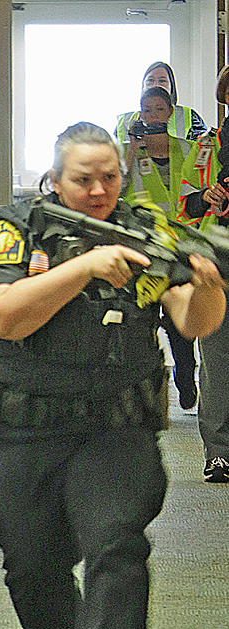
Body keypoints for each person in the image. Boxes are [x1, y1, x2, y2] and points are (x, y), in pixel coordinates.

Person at [0, 122, 224, 629]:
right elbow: (2, 315)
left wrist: (212, 288)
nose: (99, 190)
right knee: (32, 567)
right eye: (83, 179)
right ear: (56, 181)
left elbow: (191, 320)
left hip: (113, 428)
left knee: (117, 548)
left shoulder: (145, 233)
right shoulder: (18, 228)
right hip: (21, 430)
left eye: (109, 177)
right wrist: (84, 267)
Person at [122, 86, 197, 410]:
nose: (152, 115)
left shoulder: (189, 149)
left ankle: (185, 375)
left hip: (181, 244)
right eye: (146, 109)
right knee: (142, 317)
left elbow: (197, 192)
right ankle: (147, 388)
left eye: (158, 109)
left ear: (169, 112)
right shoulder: (130, 153)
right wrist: (132, 147)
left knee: (180, 320)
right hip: (143, 246)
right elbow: (119, 186)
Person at [178, 65, 229, 482]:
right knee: (217, 357)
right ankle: (219, 452)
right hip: (217, 260)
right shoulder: (207, 147)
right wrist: (207, 198)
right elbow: (184, 204)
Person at [115, 61, 206, 144]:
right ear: (143, 86)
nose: (156, 85)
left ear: (172, 87)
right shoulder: (124, 121)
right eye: (150, 80)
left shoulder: (189, 116)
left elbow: (202, 150)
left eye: (162, 81)